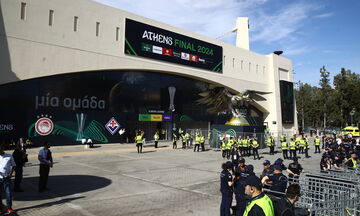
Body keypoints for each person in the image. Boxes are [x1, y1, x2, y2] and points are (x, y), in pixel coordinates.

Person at [0, 145, 16, 214]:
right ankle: (0, 209)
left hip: (7, 178)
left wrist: (11, 174)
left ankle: (9, 208)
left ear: (2, 149)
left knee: (8, 193)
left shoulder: (9, 156)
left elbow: (14, 165)